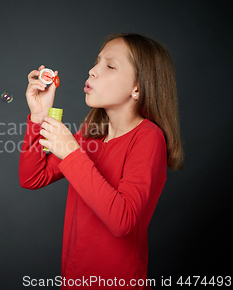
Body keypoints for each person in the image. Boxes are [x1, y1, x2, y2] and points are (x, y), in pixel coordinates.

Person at [19, 33, 184, 289]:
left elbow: (122, 222)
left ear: (138, 87)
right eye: (97, 62)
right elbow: (32, 177)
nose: (92, 71)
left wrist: (72, 153)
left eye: (109, 65)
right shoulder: (90, 134)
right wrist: (38, 115)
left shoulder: (149, 138)